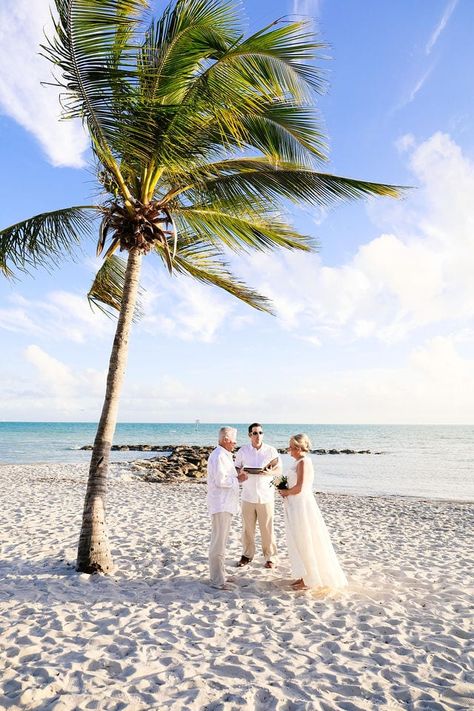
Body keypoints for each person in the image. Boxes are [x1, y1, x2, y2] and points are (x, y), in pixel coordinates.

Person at [279, 433, 347, 591]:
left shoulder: (303, 462)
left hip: (302, 505)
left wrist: (286, 492)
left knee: (305, 539)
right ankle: (304, 575)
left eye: (290, 446)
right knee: (298, 540)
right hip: (294, 505)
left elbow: (300, 487)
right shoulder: (297, 462)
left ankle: (309, 578)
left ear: (298, 447)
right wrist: (283, 490)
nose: (288, 448)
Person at [234, 422, 282, 569]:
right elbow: (236, 467)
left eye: (260, 433)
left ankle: (270, 557)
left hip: (266, 496)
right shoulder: (243, 450)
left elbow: (278, 470)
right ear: (250, 435)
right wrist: (241, 473)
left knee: (267, 528)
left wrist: (269, 473)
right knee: (247, 529)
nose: (258, 436)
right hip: (248, 495)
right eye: (255, 433)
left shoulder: (271, 450)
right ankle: (247, 555)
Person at [207, 426, 248, 590]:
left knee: (222, 542)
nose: (235, 443)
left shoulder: (224, 455)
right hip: (220, 504)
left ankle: (221, 573)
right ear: (225, 440)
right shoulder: (218, 456)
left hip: (225, 504)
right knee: (218, 542)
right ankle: (217, 580)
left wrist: (237, 477)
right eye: (233, 440)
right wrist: (239, 479)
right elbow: (221, 481)